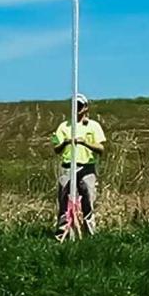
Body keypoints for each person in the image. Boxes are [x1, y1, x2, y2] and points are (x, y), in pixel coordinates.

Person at [51, 94, 106, 235]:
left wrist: (84, 142)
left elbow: (101, 149)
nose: (77, 108)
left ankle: (90, 234)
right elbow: (56, 149)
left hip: (87, 167)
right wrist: (65, 142)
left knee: (89, 202)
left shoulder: (94, 126)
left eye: (80, 106)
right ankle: (63, 234)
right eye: (75, 105)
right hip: (68, 167)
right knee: (64, 201)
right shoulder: (64, 126)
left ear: (86, 107)